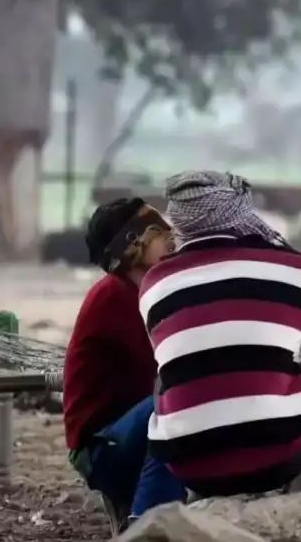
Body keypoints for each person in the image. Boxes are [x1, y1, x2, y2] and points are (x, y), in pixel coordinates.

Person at [141, 170, 301, 497]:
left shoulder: (154, 282)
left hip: (189, 470)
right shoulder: (291, 267)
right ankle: (299, 483)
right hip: (278, 459)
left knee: (172, 368)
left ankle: (199, 497)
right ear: (241, 210)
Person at [62, 198, 186, 528]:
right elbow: (168, 367)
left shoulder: (147, 294)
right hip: (100, 447)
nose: (170, 236)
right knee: (176, 402)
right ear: (132, 245)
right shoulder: (114, 297)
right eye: (157, 230)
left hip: (129, 429)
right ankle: (146, 525)